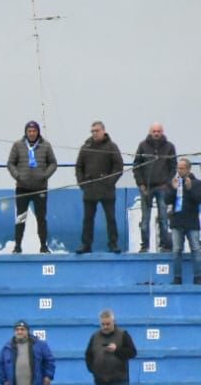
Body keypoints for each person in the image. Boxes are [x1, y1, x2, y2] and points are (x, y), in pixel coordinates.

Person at [6, 121, 57, 252]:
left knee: (41, 218)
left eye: (34, 131)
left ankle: (43, 246)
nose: (32, 133)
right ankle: (17, 246)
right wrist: (17, 176)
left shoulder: (46, 145)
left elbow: (53, 163)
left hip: (40, 188)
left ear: (38, 132)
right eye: (29, 131)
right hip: (22, 188)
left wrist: (45, 175)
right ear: (26, 132)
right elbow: (10, 163)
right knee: (20, 218)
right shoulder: (18, 145)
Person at [74, 121, 124, 254]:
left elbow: (119, 167)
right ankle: (86, 245)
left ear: (103, 131)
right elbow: (79, 167)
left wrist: (109, 182)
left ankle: (113, 244)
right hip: (89, 190)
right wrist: (82, 183)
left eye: (97, 131)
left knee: (110, 218)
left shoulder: (112, 147)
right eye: (92, 131)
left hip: (107, 191)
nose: (94, 133)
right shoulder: (86, 147)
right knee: (88, 219)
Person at [133, 122, 177, 254]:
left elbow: (173, 166)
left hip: (162, 188)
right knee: (145, 219)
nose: (156, 133)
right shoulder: (142, 146)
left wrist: (167, 182)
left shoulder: (169, 147)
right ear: (150, 132)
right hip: (146, 187)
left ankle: (165, 245)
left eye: (158, 131)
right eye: (154, 131)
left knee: (164, 218)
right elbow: (136, 166)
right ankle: (144, 246)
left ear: (162, 132)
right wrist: (141, 184)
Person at [170, 158, 200, 285]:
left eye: (182, 168)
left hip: (191, 222)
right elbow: (167, 200)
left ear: (188, 169)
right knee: (176, 250)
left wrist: (189, 188)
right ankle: (177, 277)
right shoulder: (173, 182)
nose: (179, 170)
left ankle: (198, 277)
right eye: (178, 168)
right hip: (177, 222)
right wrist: (173, 189)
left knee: (196, 249)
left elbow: (198, 199)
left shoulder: (197, 183)